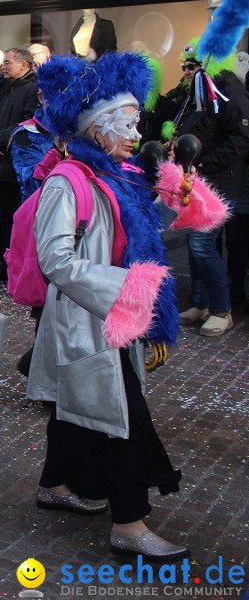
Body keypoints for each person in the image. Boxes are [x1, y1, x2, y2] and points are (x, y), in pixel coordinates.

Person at [26, 52, 227, 563]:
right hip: (90, 321)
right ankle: (129, 523)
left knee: (81, 409)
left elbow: (134, 232)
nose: (137, 134)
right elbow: (56, 260)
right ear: (95, 130)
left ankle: (57, 485)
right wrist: (130, 290)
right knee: (122, 417)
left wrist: (176, 199)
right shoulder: (65, 182)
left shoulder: (119, 174)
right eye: (128, 124)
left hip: (112, 316)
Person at [174, 40, 249, 336]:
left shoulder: (229, 90)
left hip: (220, 182)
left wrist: (204, 163)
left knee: (202, 244)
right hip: (201, 181)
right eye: (184, 67)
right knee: (197, 243)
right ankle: (202, 302)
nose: (186, 72)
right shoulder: (203, 90)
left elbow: (242, 138)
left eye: (192, 66)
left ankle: (221, 309)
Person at [0, 47, 39, 282]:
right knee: (1, 220)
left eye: (8, 62)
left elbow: (28, 125)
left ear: (24, 65)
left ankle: (18, 267)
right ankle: (6, 263)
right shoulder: (1, 89)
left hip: (14, 166)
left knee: (15, 220)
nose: (3, 66)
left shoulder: (32, 90)